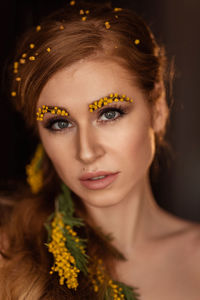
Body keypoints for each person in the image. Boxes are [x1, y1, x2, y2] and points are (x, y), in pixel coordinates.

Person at [1, 1, 200, 299]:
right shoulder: (8, 259)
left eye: (109, 114)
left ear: (157, 108)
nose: (86, 152)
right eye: (60, 123)